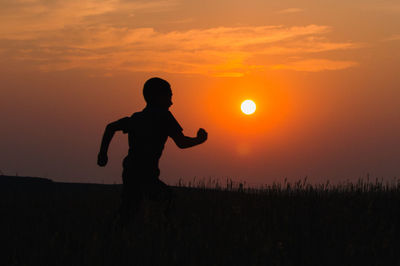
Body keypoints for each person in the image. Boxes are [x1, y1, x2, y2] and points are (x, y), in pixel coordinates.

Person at [97, 77, 208, 222]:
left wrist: (103, 154)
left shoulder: (137, 118)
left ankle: (118, 234)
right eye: (169, 96)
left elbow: (110, 127)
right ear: (158, 97)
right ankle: (158, 232)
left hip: (131, 170)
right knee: (167, 201)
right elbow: (181, 142)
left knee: (129, 209)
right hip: (145, 174)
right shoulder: (164, 117)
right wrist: (199, 140)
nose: (171, 102)